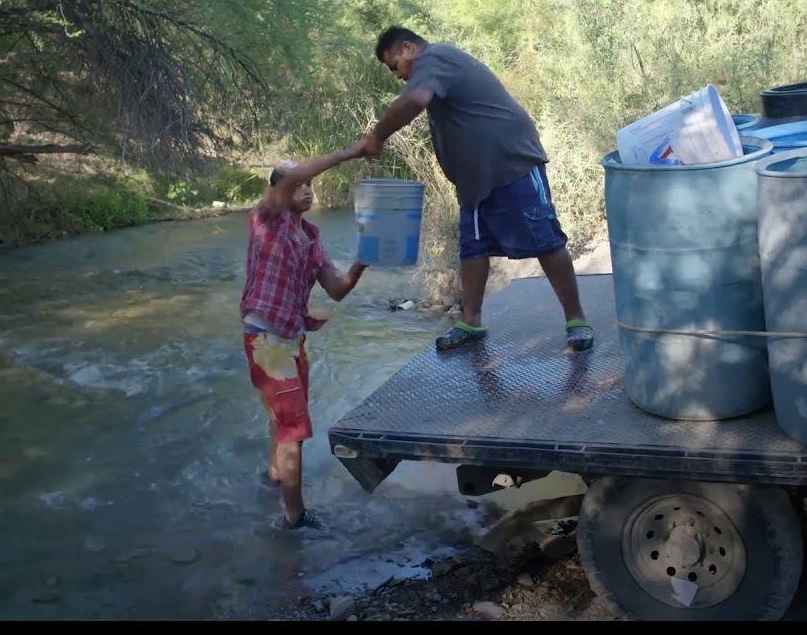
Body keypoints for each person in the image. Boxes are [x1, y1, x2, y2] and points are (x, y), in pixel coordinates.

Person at [362, 26, 593, 353]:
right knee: (473, 249)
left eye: (394, 66)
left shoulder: (435, 57)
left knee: (546, 240)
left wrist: (377, 136)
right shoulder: (433, 68)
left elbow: (414, 100)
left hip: (512, 163)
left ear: (409, 48)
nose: (398, 76)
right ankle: (471, 321)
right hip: (474, 180)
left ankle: (576, 319)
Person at [241, 141, 372, 531]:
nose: (306, 189)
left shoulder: (312, 238)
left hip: (292, 339)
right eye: (298, 184)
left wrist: (363, 260)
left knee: (282, 421)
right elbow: (296, 175)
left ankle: (274, 478)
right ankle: (294, 518)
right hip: (266, 338)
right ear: (280, 192)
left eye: (309, 185)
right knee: (293, 429)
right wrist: (351, 152)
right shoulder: (266, 218)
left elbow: (337, 288)